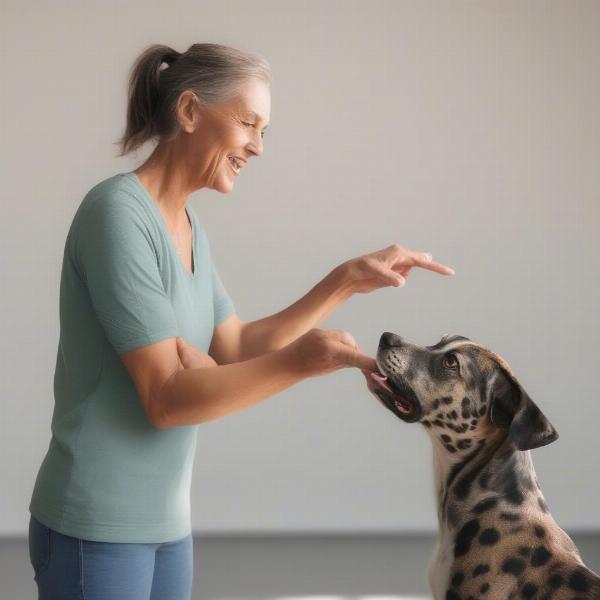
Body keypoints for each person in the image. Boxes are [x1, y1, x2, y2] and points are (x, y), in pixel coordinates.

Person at [27, 42, 455, 600]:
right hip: (95, 527)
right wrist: (300, 363)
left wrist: (346, 280)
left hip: (166, 527)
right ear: (188, 112)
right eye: (248, 123)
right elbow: (167, 399)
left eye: (264, 130)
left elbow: (232, 349)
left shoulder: (188, 226)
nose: (256, 146)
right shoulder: (117, 215)